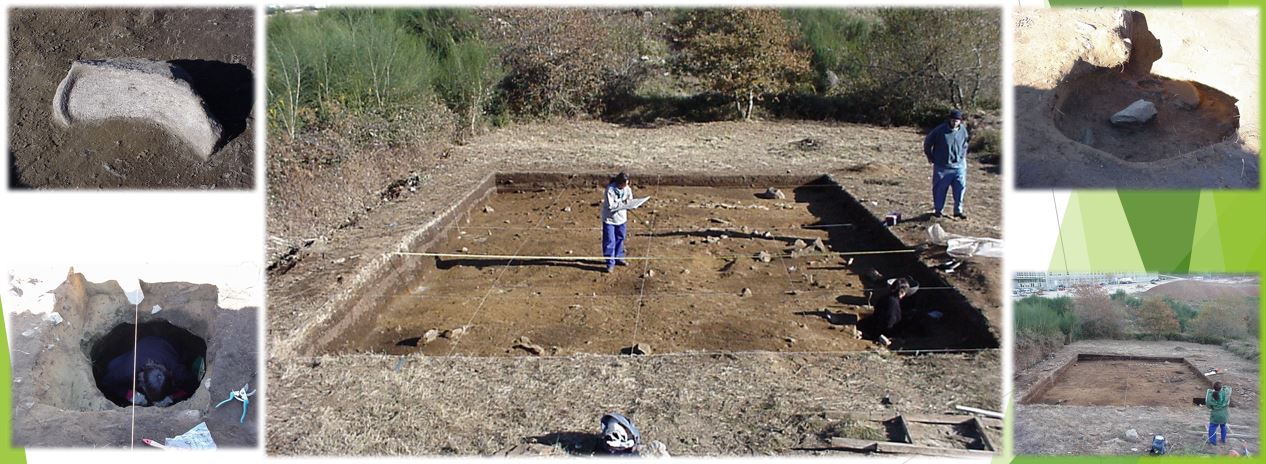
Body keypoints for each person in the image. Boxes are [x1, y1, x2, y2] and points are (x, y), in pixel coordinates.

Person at [102, 335, 196, 407]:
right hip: (140, 350)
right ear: (143, 384)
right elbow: (107, 382)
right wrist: (129, 394)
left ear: (171, 377)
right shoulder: (127, 371)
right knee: (112, 366)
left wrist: (173, 396)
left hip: (166, 343)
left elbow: (192, 384)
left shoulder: (176, 370)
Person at [923, 109, 971, 219]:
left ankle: (958, 211)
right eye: (953, 120)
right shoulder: (939, 131)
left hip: (959, 165)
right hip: (942, 166)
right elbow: (928, 143)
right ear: (949, 120)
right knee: (940, 189)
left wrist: (962, 155)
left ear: (960, 121)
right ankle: (938, 211)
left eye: (957, 121)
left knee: (960, 188)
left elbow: (965, 143)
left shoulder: (963, 130)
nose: (955, 122)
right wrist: (930, 157)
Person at [859, 277, 919, 345]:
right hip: (883, 331)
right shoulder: (893, 303)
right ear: (902, 292)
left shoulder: (885, 297)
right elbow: (889, 322)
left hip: (876, 324)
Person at [601, 172, 638, 273]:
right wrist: (623, 203)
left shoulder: (627, 189)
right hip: (610, 220)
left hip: (621, 219)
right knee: (610, 241)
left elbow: (629, 199)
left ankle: (619, 257)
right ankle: (610, 263)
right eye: (625, 183)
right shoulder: (610, 190)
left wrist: (631, 203)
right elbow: (611, 206)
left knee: (620, 237)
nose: (626, 185)